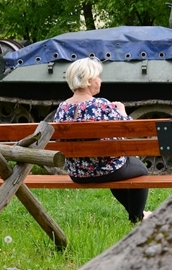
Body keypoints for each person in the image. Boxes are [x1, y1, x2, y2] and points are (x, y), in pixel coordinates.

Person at [54, 57, 151, 223]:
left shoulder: (62, 108)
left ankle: (139, 214)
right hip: (105, 170)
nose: (100, 80)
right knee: (141, 170)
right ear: (88, 80)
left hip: (77, 173)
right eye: (98, 76)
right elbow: (129, 130)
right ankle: (137, 217)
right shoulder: (101, 105)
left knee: (119, 171)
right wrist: (122, 111)